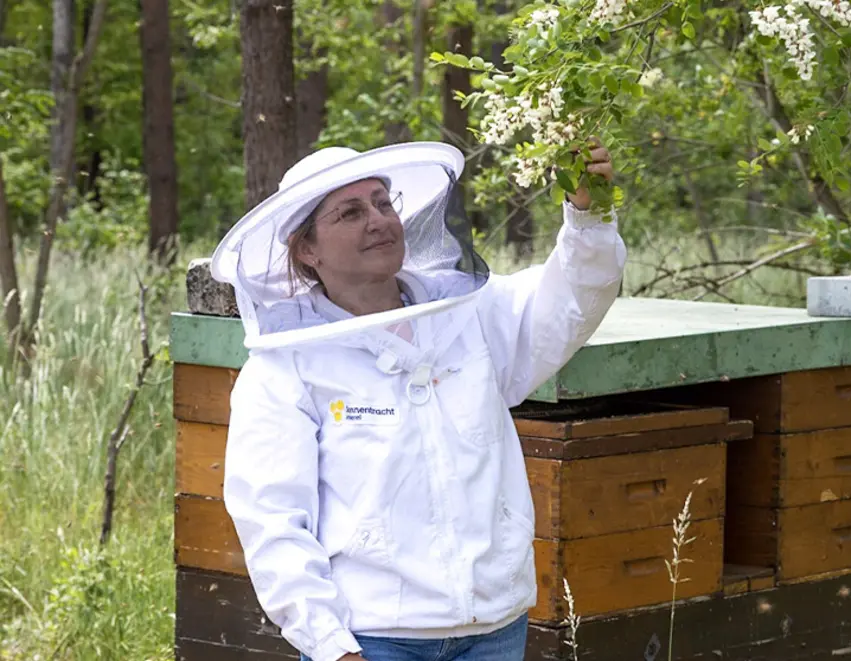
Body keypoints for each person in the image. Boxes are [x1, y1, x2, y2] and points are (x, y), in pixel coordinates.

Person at [210, 140, 626, 661]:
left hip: (494, 626)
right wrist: (331, 645)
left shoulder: (468, 313)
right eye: (350, 212)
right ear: (306, 249)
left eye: (384, 203)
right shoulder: (286, 366)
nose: (378, 221)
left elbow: (572, 301)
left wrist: (588, 214)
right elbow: (271, 516)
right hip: (372, 638)